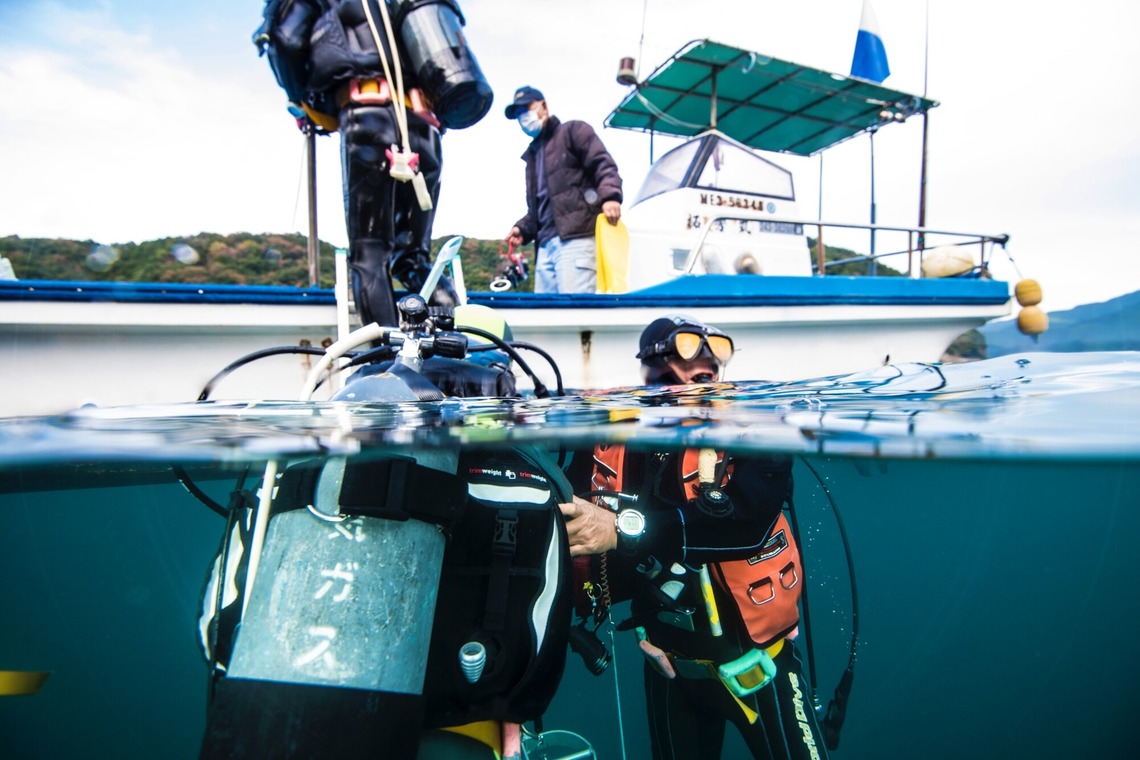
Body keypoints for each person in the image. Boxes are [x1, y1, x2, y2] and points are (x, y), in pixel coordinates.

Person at [559, 315, 829, 760]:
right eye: (689, 355)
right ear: (652, 368)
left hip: (760, 669)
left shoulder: (755, 427)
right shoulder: (614, 432)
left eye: (714, 359)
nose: (706, 364)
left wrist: (620, 532)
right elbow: (571, 513)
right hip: (668, 667)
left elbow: (747, 523)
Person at [254, 0, 493, 327]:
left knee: (370, 256)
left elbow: (287, 41)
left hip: (369, 120)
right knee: (413, 259)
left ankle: (382, 365)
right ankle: (457, 350)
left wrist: (301, 100)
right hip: (424, 129)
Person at [503, 86, 623, 294]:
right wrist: (522, 228)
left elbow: (603, 165)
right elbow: (539, 207)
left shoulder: (574, 131)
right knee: (546, 317)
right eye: (518, 114)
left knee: (574, 313)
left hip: (577, 238)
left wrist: (611, 196)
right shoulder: (531, 157)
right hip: (544, 247)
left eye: (526, 108)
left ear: (544, 106)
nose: (523, 117)